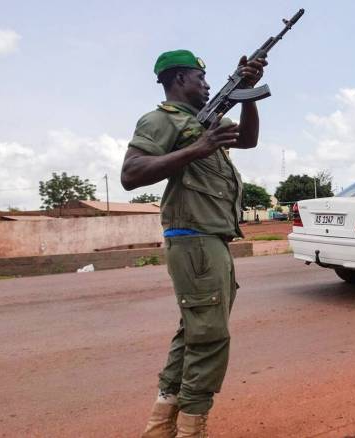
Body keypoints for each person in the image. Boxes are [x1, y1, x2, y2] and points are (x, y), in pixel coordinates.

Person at [120, 49, 266, 437]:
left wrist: (246, 93)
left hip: (210, 240)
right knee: (210, 337)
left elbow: (248, 139)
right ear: (180, 79)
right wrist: (197, 149)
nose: (206, 85)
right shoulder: (160, 120)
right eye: (201, 78)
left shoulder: (202, 122)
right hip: (195, 240)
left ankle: (161, 426)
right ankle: (191, 429)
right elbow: (131, 174)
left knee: (195, 331)